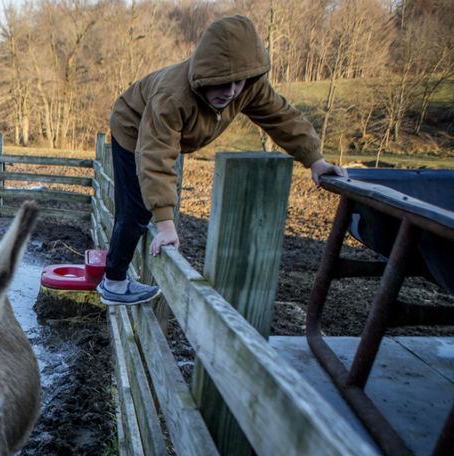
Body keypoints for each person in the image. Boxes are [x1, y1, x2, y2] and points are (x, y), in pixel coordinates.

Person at [98, 14, 347, 305]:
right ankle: (113, 283)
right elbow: (155, 155)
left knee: (148, 202)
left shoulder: (249, 88)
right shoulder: (172, 96)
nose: (230, 92)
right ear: (204, 74)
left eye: (238, 82)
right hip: (132, 126)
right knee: (137, 208)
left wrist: (315, 160)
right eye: (220, 82)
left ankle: (123, 261)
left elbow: (283, 118)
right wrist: (165, 224)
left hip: (168, 135)